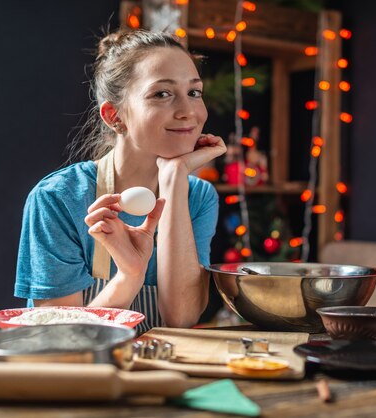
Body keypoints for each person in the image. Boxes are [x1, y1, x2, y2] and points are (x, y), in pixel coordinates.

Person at [14, 29, 227, 333]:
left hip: (158, 372)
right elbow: (63, 339)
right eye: (162, 94)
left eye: (194, 92)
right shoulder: (58, 198)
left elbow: (181, 317)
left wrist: (175, 179)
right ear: (115, 116)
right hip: (84, 374)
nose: (188, 112)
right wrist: (129, 274)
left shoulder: (198, 196)